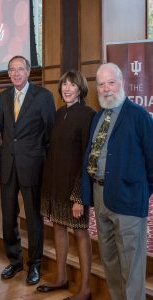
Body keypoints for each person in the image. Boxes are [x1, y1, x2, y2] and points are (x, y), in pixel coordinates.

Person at [82, 62, 153, 300]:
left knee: (131, 263)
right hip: (101, 197)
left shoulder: (139, 116)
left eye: (111, 82)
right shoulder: (99, 117)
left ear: (122, 83)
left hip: (128, 200)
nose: (106, 88)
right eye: (101, 84)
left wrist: (140, 193)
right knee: (110, 260)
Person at [37, 70, 94, 300]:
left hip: (74, 189)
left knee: (81, 233)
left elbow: (86, 157)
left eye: (72, 84)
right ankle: (61, 278)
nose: (67, 88)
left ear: (80, 88)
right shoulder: (60, 113)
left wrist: (79, 196)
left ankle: (86, 288)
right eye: (64, 85)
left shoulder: (88, 114)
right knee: (58, 228)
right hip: (54, 186)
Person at [0, 55, 55, 285]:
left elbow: (50, 134)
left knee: (33, 218)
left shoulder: (43, 96)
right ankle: (14, 261)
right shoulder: (3, 97)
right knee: (8, 217)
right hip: (8, 167)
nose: (16, 73)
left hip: (33, 167)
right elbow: (3, 131)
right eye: (12, 70)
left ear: (29, 71)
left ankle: (35, 265)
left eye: (20, 69)